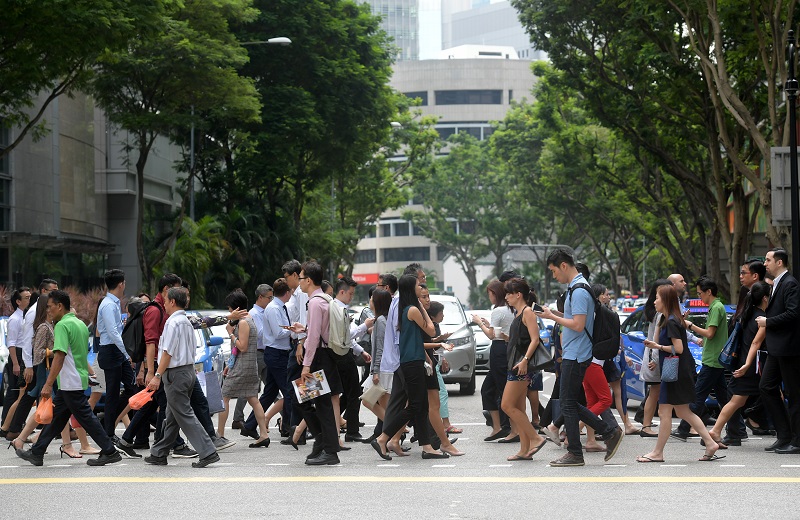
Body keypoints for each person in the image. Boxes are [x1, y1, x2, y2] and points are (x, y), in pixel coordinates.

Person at [15, 290, 122, 467]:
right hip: (75, 379)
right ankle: (37, 451)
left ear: (59, 306)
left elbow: (60, 356)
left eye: (50, 307)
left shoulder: (62, 326)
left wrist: (48, 384)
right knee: (57, 418)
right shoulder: (79, 323)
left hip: (69, 380)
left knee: (86, 417)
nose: (48, 310)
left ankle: (110, 451)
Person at [537, 248, 623, 467]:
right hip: (575, 353)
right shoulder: (577, 288)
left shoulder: (579, 290)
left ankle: (598, 438)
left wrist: (552, 317)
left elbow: (578, 324)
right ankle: (588, 444)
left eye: (554, 271)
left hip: (577, 355)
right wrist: (552, 314)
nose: (554, 276)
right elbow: (573, 319)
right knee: (569, 403)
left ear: (564, 266)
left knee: (568, 403)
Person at [638, 284, 722, 463]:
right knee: (684, 412)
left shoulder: (672, 321)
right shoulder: (668, 319)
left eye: (657, 298)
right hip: (676, 372)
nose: (654, 301)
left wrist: (658, 347)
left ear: (666, 300)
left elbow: (679, 349)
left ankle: (657, 452)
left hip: (674, 373)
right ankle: (710, 443)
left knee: (665, 412)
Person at [371, 274, 448, 460]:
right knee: (416, 405)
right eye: (417, 286)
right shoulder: (412, 309)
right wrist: (422, 307)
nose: (421, 288)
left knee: (420, 406)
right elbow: (430, 329)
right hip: (412, 363)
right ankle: (384, 438)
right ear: (410, 289)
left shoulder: (402, 308)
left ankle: (427, 446)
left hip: (411, 361)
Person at [144, 287, 218, 468]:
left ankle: (208, 451)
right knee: (172, 416)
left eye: (166, 300)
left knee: (183, 414)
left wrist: (157, 375)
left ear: (173, 302)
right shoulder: (186, 321)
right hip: (187, 371)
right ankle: (159, 453)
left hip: (175, 374)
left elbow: (167, 353)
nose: (164, 304)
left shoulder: (172, 323)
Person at [291, 261, 342, 465]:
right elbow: (317, 331)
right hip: (327, 355)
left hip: (319, 357)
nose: (299, 282)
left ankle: (329, 450)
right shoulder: (325, 298)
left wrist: (306, 366)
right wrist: (303, 328)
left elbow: (313, 339)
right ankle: (322, 443)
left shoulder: (314, 302)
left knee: (320, 405)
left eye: (301, 278)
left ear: (309, 280)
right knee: (307, 399)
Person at [708, 281, 770, 446]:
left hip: (743, 364)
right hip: (749, 367)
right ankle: (715, 431)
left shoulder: (747, 315)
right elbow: (755, 344)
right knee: (738, 401)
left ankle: (717, 431)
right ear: (765, 298)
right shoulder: (761, 319)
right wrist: (747, 365)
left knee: (738, 401)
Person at [672, 276, 729, 441]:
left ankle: (683, 428)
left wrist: (690, 325)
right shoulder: (716, 307)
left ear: (709, 292)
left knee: (697, 395)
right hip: (715, 358)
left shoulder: (716, 308)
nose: (699, 297)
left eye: (700, 294)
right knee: (725, 399)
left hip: (712, 360)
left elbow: (710, 334)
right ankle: (738, 429)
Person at [757, 248, 800, 453]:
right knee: (766, 387)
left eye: (768, 260)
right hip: (776, 348)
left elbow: (794, 314)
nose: (765, 264)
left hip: (788, 348)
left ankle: (797, 440)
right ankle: (784, 435)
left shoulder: (790, 283)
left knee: (793, 393)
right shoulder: (776, 284)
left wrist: (768, 322)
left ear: (779, 262)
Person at [501, 278, 547, 461]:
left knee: (506, 405)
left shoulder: (527, 312)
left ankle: (536, 438)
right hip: (516, 364)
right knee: (519, 407)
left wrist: (525, 360)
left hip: (521, 367)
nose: (505, 297)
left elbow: (535, 340)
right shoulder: (519, 313)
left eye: (508, 294)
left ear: (518, 294)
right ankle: (524, 450)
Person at [217, 290, 270, 448]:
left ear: (236, 308)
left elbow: (242, 346)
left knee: (224, 396)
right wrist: (229, 364)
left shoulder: (244, 322)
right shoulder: (248, 319)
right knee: (253, 399)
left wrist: (230, 334)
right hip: (246, 365)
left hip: (243, 366)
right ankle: (264, 435)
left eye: (229, 309)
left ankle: (220, 434)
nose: (229, 312)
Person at [419, 291, 462, 457]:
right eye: (423, 297)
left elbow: (425, 343)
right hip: (424, 365)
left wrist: (439, 345)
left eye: (428, 296)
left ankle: (439, 440)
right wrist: (439, 344)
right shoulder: (416, 316)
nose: (427, 300)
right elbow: (420, 343)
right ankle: (441, 438)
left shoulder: (422, 318)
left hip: (428, 363)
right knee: (427, 404)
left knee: (425, 405)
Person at [96, 269, 137, 439]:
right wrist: (127, 353)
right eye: (125, 283)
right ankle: (108, 432)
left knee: (132, 388)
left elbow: (116, 329)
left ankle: (107, 420)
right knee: (112, 394)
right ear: (121, 284)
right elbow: (112, 333)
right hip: (111, 351)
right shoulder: (107, 304)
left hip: (115, 351)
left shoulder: (113, 303)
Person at [474, 280, 515, 442]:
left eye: (490, 293)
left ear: (495, 293)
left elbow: (492, 335)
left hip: (499, 350)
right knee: (490, 389)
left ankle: (508, 427)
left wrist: (479, 323)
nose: (489, 297)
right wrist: (488, 324)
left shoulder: (498, 310)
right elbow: (500, 328)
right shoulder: (510, 309)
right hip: (507, 350)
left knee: (501, 389)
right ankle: (500, 427)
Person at [233, 283, 273, 432]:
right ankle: (238, 418)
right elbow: (259, 334)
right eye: (269, 298)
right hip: (255, 353)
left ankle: (241, 418)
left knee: (269, 387)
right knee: (250, 389)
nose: (271, 300)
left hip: (265, 353)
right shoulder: (254, 314)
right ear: (260, 297)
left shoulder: (266, 312)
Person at [637, 279, 673, 438]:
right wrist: (655, 359)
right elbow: (655, 339)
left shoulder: (658, 313)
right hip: (655, 358)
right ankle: (646, 425)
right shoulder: (659, 315)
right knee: (654, 392)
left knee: (654, 392)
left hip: (655, 356)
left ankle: (646, 424)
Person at [360, 287, 393, 444]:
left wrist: (375, 371)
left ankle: (393, 431)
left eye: (372, 299)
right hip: (384, 368)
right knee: (378, 403)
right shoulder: (383, 320)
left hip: (382, 370)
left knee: (369, 401)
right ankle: (393, 433)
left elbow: (380, 348)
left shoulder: (381, 321)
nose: (370, 301)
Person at [0, 286, 31, 435]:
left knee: (22, 392)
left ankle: (17, 423)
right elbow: (11, 343)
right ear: (18, 301)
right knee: (14, 392)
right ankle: (6, 425)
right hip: (17, 355)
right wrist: (16, 363)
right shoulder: (14, 319)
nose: (29, 300)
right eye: (26, 298)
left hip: (24, 354)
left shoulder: (27, 316)